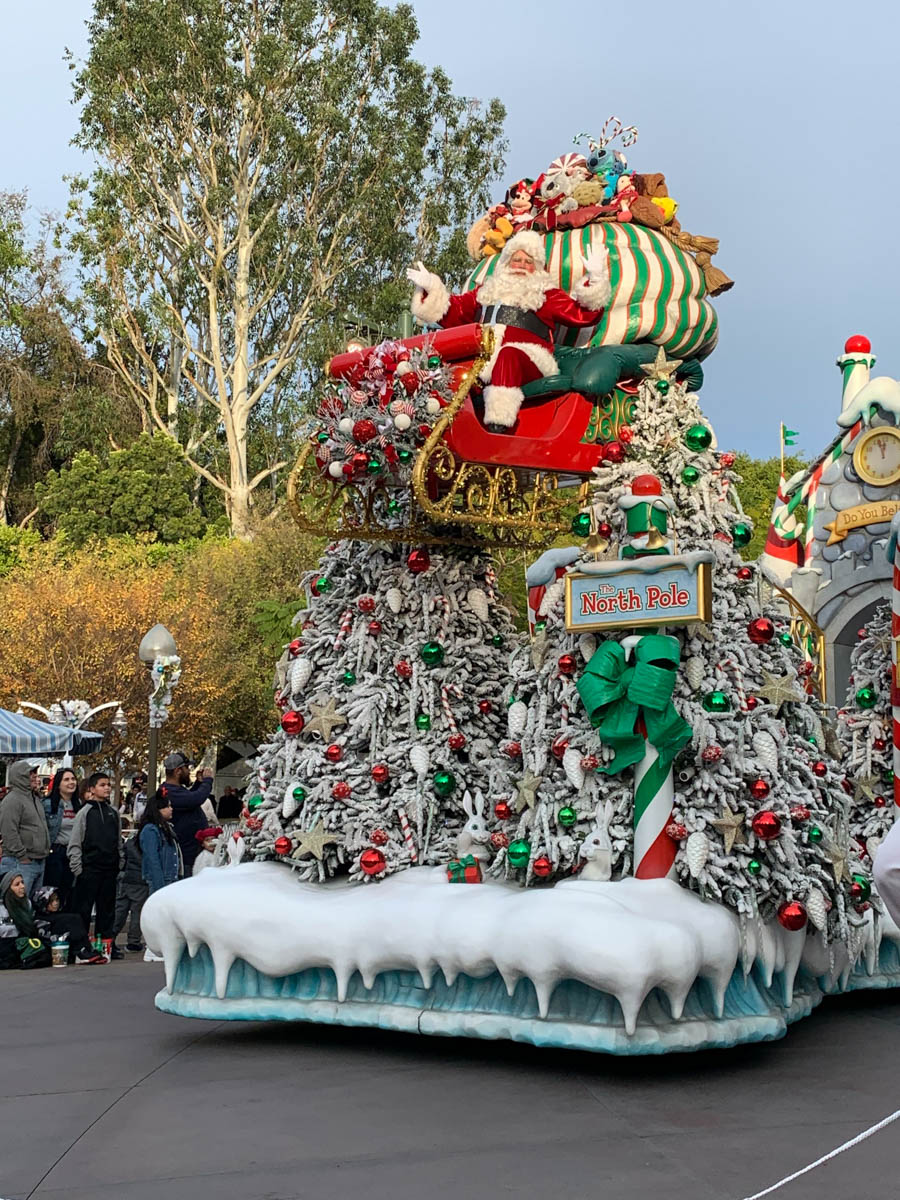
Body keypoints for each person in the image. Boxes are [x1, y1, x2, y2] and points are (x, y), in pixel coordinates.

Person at [407, 229, 610, 430]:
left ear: (537, 267)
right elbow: (455, 310)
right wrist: (431, 288)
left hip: (529, 359)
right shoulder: (486, 291)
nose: (521, 265)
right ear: (506, 262)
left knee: (508, 355)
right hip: (484, 360)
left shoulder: (545, 294)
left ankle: (498, 424)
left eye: (528, 261)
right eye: (516, 259)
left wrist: (595, 279)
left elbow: (582, 314)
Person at [67, 772, 124, 959]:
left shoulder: (113, 812)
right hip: (89, 869)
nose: (106, 788)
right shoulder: (84, 813)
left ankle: (107, 944)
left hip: (110, 868)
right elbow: (75, 842)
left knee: (107, 910)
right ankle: (81, 946)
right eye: (102, 785)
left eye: (108, 784)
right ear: (92, 789)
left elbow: (118, 841)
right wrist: (78, 869)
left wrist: (120, 860)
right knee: (83, 909)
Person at [139, 788, 183, 962]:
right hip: (161, 878)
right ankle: (152, 948)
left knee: (166, 916)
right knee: (158, 915)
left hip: (170, 877)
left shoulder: (166, 828)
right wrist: (158, 883)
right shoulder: (150, 830)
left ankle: (161, 947)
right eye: (167, 807)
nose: (171, 809)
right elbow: (153, 858)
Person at [0, 762, 52, 899]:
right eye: (31, 773)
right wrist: (22, 856)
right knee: (18, 906)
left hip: (37, 860)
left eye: (35, 773)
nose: (35, 776)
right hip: (19, 862)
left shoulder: (34, 798)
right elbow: (8, 832)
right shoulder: (12, 800)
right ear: (20, 776)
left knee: (30, 907)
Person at [162, 752, 214, 874]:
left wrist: (199, 783)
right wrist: (207, 781)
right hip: (185, 859)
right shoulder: (168, 791)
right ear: (178, 771)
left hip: (193, 855)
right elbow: (194, 799)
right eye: (187, 768)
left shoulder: (176, 790)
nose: (189, 772)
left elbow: (189, 797)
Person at [33, 886, 105, 964]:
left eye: (57, 900)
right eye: (51, 901)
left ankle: (86, 949)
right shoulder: (40, 920)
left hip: (63, 943)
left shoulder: (58, 915)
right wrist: (65, 936)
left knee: (75, 918)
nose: (56, 903)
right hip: (54, 947)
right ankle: (80, 952)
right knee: (72, 919)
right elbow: (46, 938)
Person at [43, 768, 81, 910]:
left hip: (74, 854)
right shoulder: (47, 804)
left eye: (73, 779)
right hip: (55, 853)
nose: (71, 782)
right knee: (52, 894)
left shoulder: (79, 804)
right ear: (58, 784)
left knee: (69, 892)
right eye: (66, 779)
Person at [0, 871, 50, 968]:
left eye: (22, 882)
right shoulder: (1, 908)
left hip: (20, 944)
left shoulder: (26, 903)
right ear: (7, 888)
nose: (22, 886)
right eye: (17, 884)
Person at [113, 829, 149, 953]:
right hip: (140, 881)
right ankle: (133, 942)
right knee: (137, 913)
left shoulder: (129, 843)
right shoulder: (147, 843)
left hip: (124, 879)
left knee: (119, 910)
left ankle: (110, 937)